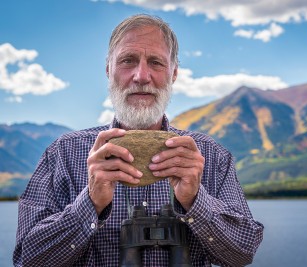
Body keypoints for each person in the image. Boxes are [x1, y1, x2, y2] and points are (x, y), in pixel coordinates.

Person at [13, 14, 264, 267]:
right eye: (127, 61)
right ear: (108, 69)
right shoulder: (64, 153)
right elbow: (27, 258)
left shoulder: (211, 156)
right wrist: (89, 203)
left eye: (156, 62)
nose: (142, 76)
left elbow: (242, 254)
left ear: (173, 73)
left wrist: (195, 201)